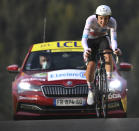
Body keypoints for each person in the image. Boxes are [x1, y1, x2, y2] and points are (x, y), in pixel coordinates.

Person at [81, 5, 122, 105]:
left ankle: (108, 81)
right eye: (101, 18)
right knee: (91, 66)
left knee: (108, 55)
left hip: (103, 39)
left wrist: (115, 49)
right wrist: (86, 49)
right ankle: (91, 90)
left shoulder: (113, 22)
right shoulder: (90, 20)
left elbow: (113, 39)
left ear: (109, 18)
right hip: (90, 41)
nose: (103, 21)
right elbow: (84, 39)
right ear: (96, 17)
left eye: (106, 18)